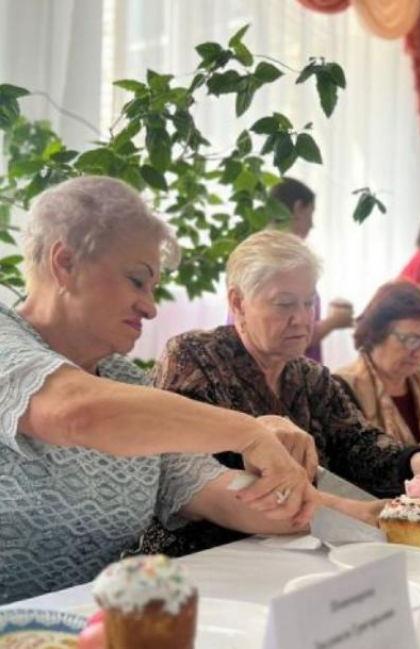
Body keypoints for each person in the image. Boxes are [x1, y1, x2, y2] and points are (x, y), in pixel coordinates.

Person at [0, 177, 377, 604]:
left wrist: (379, 518)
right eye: (137, 280)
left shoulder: (125, 380)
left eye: (153, 286)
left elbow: (226, 494)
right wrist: (249, 432)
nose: (150, 305)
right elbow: (75, 410)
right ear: (65, 264)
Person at [141, 232, 420, 556]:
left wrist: (419, 462)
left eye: (309, 303)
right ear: (237, 302)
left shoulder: (310, 376)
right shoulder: (193, 357)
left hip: (302, 549)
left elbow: (359, 444)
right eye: (284, 303)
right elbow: (199, 472)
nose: (302, 319)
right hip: (206, 556)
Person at [335, 281, 420, 472]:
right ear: (377, 333)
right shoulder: (341, 389)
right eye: (411, 340)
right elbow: (343, 475)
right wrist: (417, 460)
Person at [269, 178, 353, 363]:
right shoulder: (284, 258)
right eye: (311, 213)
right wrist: (334, 322)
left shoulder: (260, 252)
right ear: (298, 208)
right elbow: (286, 334)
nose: (312, 224)